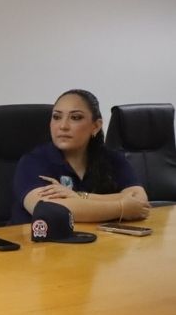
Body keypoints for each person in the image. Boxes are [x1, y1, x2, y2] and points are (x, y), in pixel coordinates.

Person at [10, 89, 151, 224]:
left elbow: (139, 200)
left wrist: (78, 196)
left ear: (95, 126)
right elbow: (50, 210)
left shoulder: (112, 158)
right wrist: (121, 207)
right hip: (35, 241)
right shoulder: (33, 162)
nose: (63, 126)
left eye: (75, 117)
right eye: (57, 117)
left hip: (99, 238)